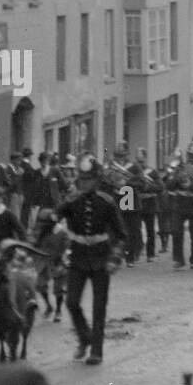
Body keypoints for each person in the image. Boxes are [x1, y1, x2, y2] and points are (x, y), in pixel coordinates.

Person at [59, 156, 126, 365]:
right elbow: (53, 217)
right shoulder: (72, 201)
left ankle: (96, 350)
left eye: (89, 180)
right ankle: (84, 336)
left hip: (100, 258)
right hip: (78, 257)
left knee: (99, 306)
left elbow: (122, 235)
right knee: (71, 302)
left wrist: (115, 258)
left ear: (96, 180)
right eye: (82, 179)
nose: (85, 183)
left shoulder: (106, 202)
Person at [32, 207, 69, 322]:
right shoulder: (40, 232)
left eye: (44, 222)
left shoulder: (61, 232)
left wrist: (63, 261)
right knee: (40, 285)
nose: (41, 225)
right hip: (43, 262)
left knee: (58, 289)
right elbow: (34, 245)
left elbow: (68, 248)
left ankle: (58, 310)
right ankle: (48, 306)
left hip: (57, 262)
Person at [166, 163, 193, 270]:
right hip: (180, 204)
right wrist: (177, 177)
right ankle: (179, 259)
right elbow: (168, 185)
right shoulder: (179, 168)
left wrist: (191, 185)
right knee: (176, 230)